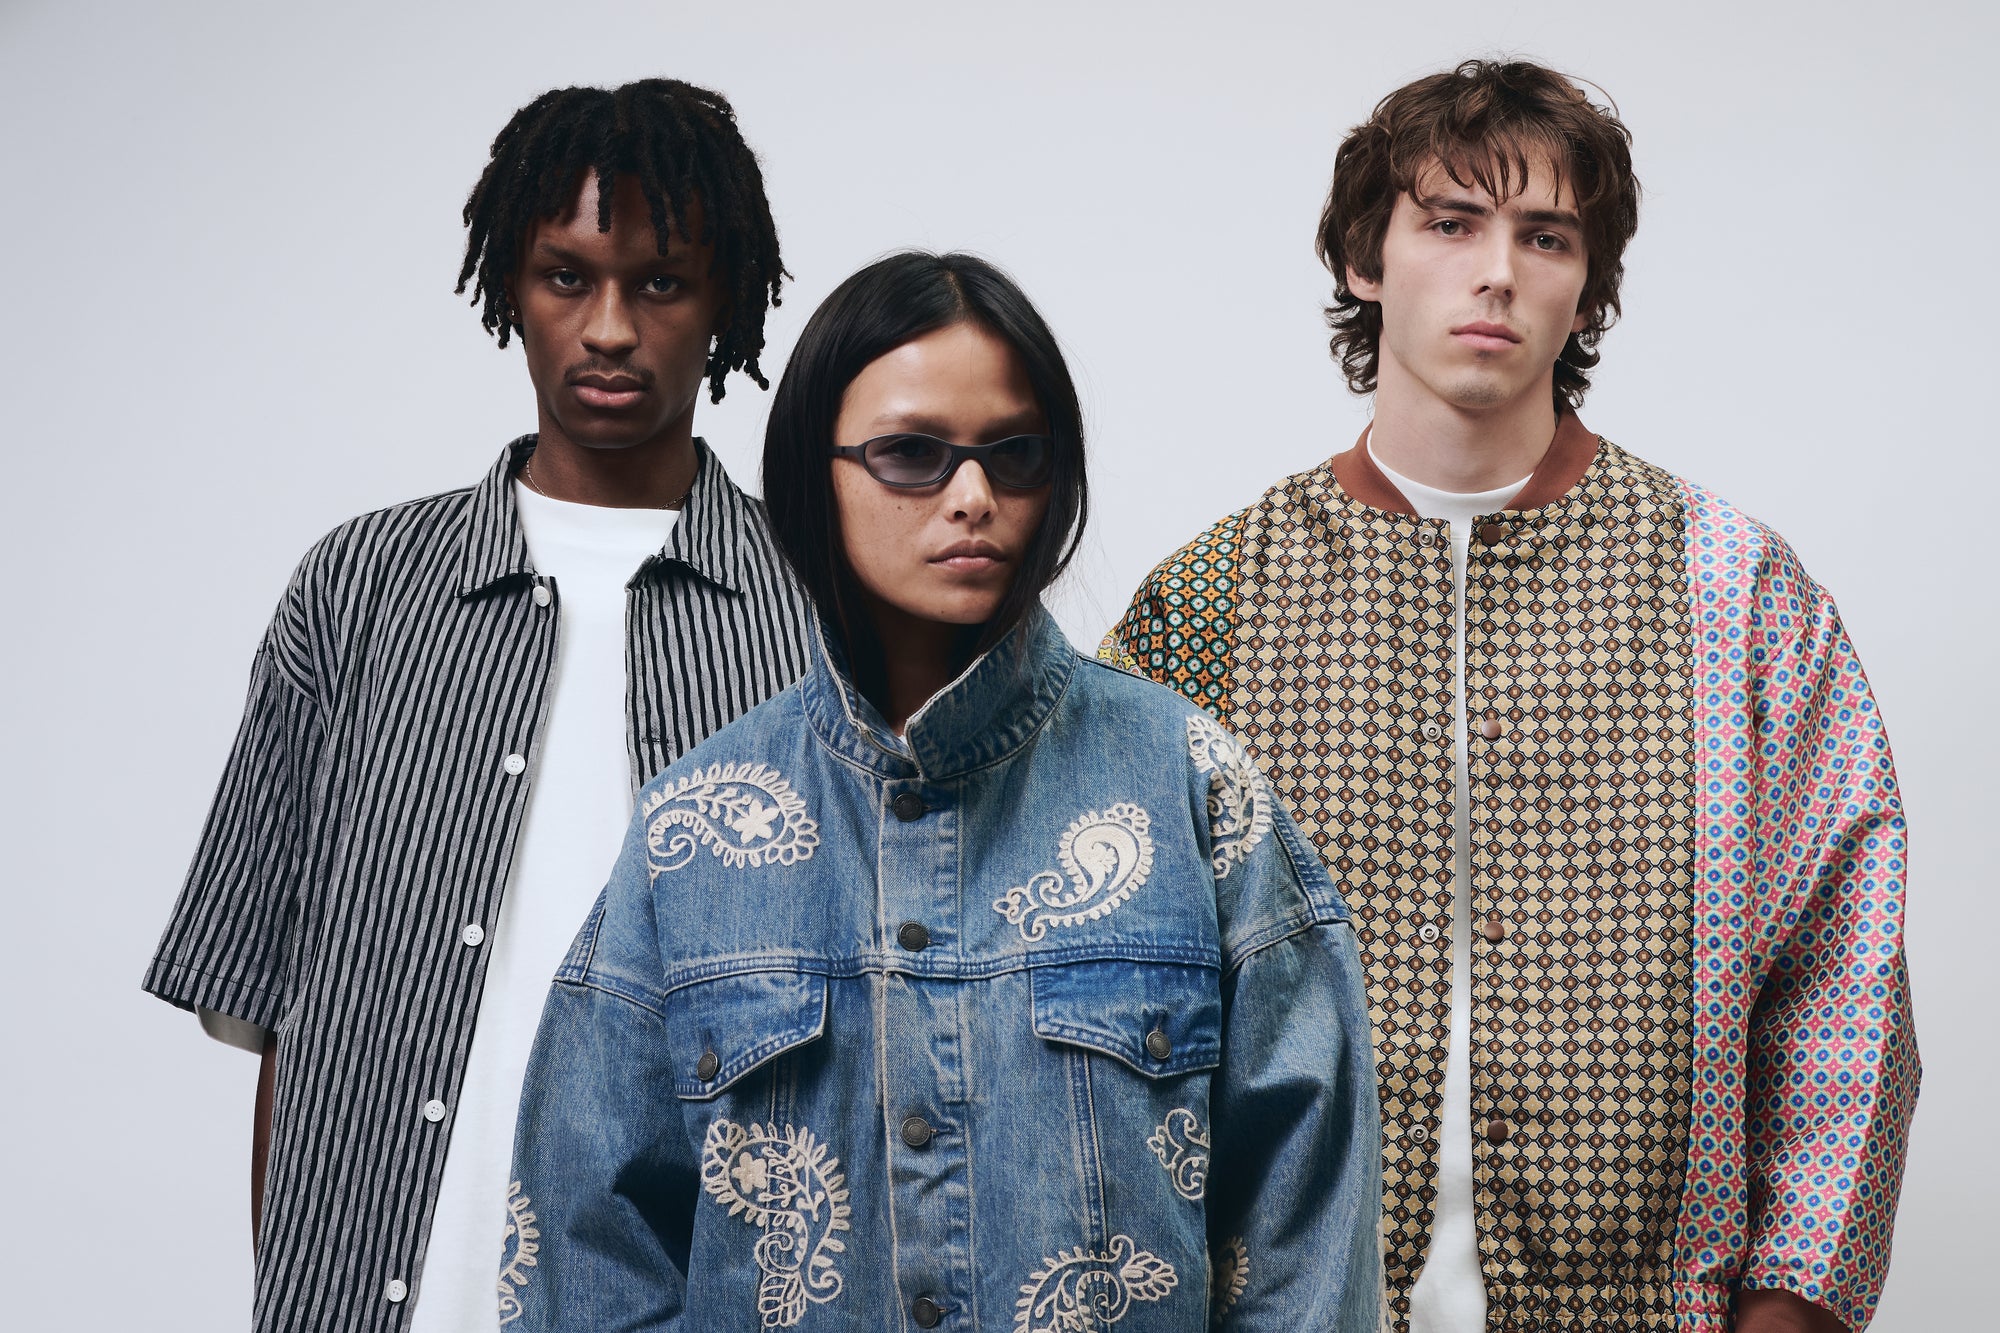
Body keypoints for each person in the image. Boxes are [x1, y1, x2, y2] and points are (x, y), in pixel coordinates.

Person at [1103, 59, 1917, 1333]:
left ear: (1585, 287)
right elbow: (1111, 986)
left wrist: (1788, 1313)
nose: (1496, 272)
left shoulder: (1734, 591)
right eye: (1449, 223)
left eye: (1545, 237)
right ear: (1363, 259)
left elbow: (1843, 977)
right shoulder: (1210, 601)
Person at [502, 252, 1384, 1332]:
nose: (974, 498)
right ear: (814, 470)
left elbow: (1309, 1232)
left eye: (1014, 455)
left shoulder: (1189, 784)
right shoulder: (694, 829)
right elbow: (583, 1254)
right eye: (912, 454)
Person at [140, 79, 813, 1333]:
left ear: (725, 303)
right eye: (566, 276)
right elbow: (274, 1007)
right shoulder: (357, 588)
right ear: (508, 284)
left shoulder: (818, 616)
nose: (608, 327)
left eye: (660, 283)